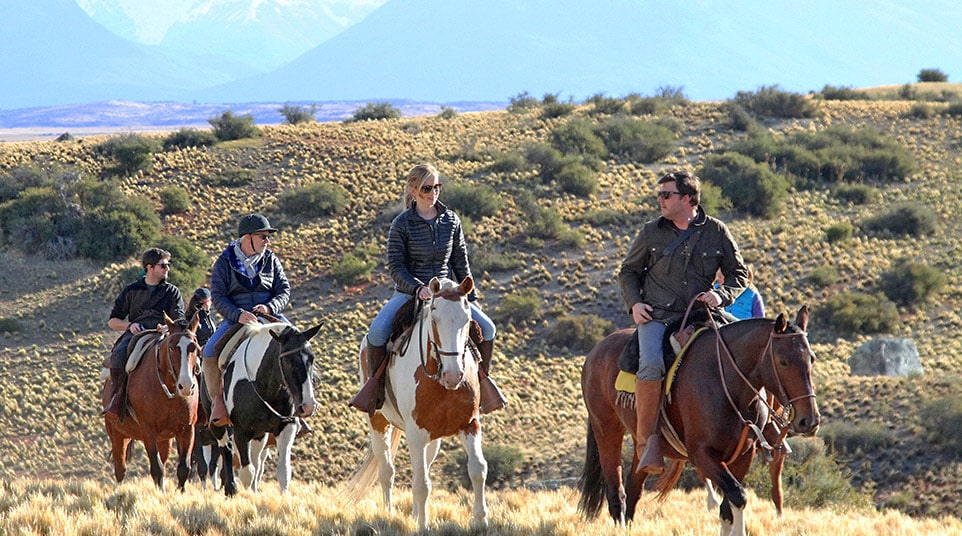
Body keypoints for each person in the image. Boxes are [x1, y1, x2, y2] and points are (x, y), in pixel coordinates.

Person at [349, 164, 507, 416]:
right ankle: (375, 391)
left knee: (487, 329)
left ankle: (482, 384)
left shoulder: (451, 220)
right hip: (410, 292)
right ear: (413, 191)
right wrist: (417, 288)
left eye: (437, 187)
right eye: (427, 188)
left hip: (448, 294)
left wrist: (471, 300)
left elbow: (460, 262)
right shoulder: (401, 224)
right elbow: (395, 267)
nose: (433, 192)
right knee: (377, 334)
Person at [618, 170, 748, 474]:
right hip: (657, 317)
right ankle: (647, 443)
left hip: (702, 314)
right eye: (659, 194)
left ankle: (765, 432)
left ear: (687, 198)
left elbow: (738, 274)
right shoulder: (651, 232)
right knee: (650, 365)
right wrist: (634, 304)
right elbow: (628, 272)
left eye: (666, 194)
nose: (660, 200)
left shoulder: (717, 231)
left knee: (741, 353)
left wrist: (722, 296)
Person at [203, 213, 291, 426]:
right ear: (247, 237)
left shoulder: (271, 259)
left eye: (268, 237)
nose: (267, 241)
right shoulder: (224, 261)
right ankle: (219, 403)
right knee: (208, 352)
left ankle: (299, 401)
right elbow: (218, 296)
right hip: (236, 318)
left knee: (299, 344)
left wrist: (270, 306)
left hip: (269, 315)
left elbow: (284, 291)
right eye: (263, 236)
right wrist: (238, 315)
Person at [105, 247, 186, 418]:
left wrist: (168, 327)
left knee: (186, 356)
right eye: (163, 266)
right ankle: (117, 398)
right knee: (119, 355)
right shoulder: (131, 290)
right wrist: (129, 325)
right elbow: (113, 321)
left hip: (163, 334)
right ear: (150, 268)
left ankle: (195, 402)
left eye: (168, 265)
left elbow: (179, 319)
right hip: (137, 333)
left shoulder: (172, 292)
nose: (167, 269)